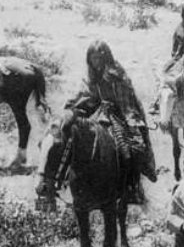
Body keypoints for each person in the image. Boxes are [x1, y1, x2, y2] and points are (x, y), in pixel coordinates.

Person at [66, 40, 157, 201]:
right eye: (92, 58)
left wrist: (129, 119)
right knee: (72, 138)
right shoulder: (90, 74)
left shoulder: (116, 73)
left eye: (98, 58)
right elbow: (84, 91)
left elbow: (125, 99)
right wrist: (72, 104)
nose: (96, 62)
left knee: (128, 148)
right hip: (98, 111)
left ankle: (132, 186)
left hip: (119, 112)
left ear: (105, 57)